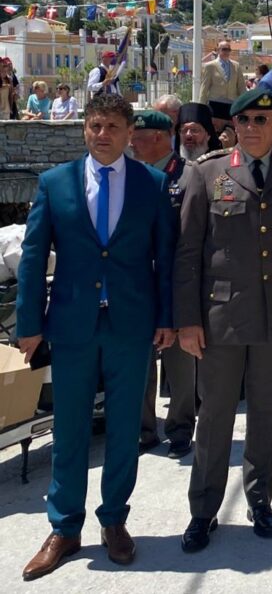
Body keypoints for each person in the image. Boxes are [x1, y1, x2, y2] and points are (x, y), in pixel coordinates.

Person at [15, 96, 176, 580]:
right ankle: (64, 527)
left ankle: (114, 521)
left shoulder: (152, 184)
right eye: (94, 126)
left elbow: (165, 259)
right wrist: (28, 324)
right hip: (72, 325)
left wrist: (166, 318)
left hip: (131, 325)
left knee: (125, 428)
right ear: (84, 130)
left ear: (129, 133)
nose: (101, 134)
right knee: (69, 429)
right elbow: (32, 257)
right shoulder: (56, 183)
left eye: (111, 127)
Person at [174, 87, 272, 552]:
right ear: (233, 126)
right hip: (221, 316)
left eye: (263, 120)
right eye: (245, 120)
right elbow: (188, 251)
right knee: (214, 415)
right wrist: (188, 320)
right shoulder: (207, 172)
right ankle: (203, 509)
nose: (253, 128)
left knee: (266, 412)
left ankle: (260, 499)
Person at [131, 110, 198, 459]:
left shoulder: (188, 176)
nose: (131, 144)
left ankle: (181, 430)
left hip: (176, 281)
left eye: (136, 138)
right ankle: (144, 430)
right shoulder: (132, 176)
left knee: (180, 363)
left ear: (158, 137)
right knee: (140, 362)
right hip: (140, 284)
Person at [199, 40, 247, 106]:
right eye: (224, 49)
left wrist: (245, 104)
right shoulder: (209, 66)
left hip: (232, 104)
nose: (227, 52)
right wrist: (201, 107)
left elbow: (242, 87)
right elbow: (204, 88)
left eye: (228, 50)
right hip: (215, 104)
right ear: (218, 50)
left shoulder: (236, 66)